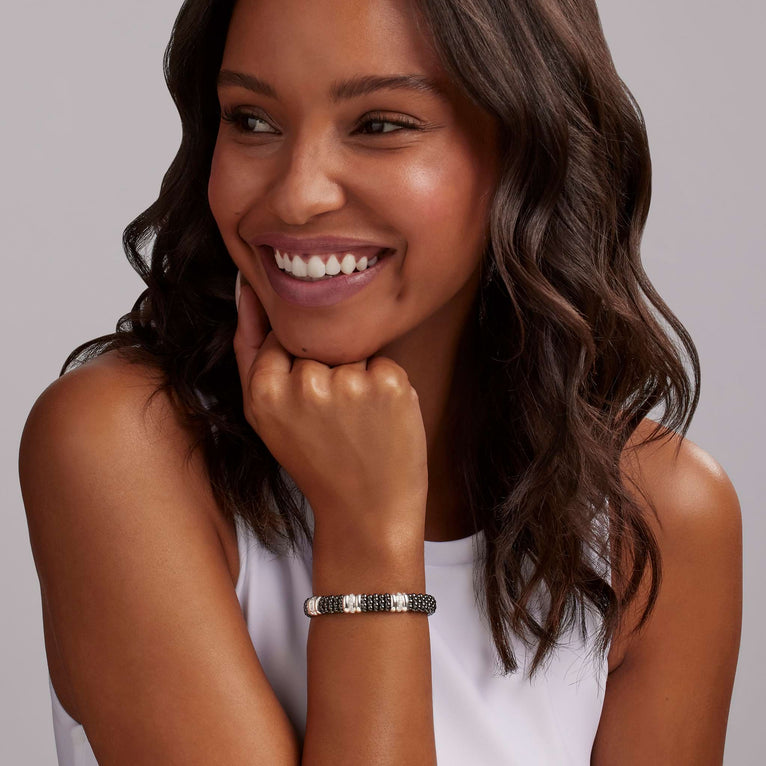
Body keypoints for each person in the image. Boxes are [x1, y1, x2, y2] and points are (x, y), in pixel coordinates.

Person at [19, 0, 742, 763]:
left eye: (380, 124)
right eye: (253, 120)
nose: (299, 195)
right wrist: (367, 533)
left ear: (527, 147)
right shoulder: (123, 448)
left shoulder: (658, 521)